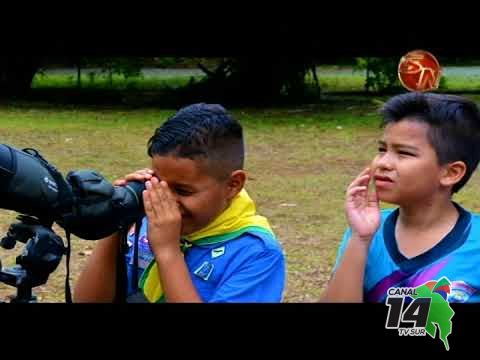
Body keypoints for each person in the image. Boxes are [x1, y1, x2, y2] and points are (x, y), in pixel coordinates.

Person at [74, 103, 286, 303]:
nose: (166, 200)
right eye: (158, 183)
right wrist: (116, 220)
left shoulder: (256, 253)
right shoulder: (150, 223)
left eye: (182, 190)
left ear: (232, 185)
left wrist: (168, 252)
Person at [323, 92, 480, 303]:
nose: (382, 163)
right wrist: (360, 240)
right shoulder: (365, 234)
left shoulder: (475, 245)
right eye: (382, 149)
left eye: (404, 153)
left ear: (451, 173)